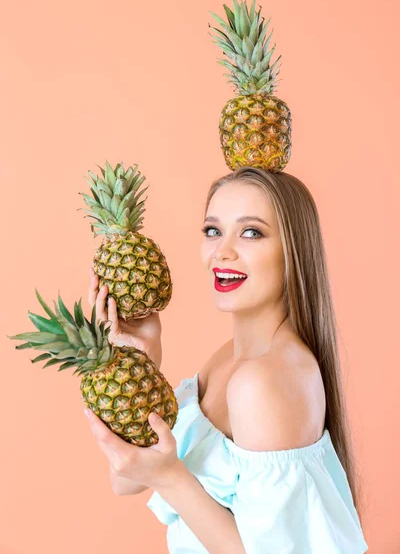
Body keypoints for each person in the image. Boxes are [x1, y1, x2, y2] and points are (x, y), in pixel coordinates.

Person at [86, 166, 369, 554]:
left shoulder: (262, 381)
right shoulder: (227, 361)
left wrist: (171, 477)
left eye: (251, 232)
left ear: (293, 250)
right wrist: (144, 357)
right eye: (213, 230)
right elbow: (126, 478)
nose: (223, 251)